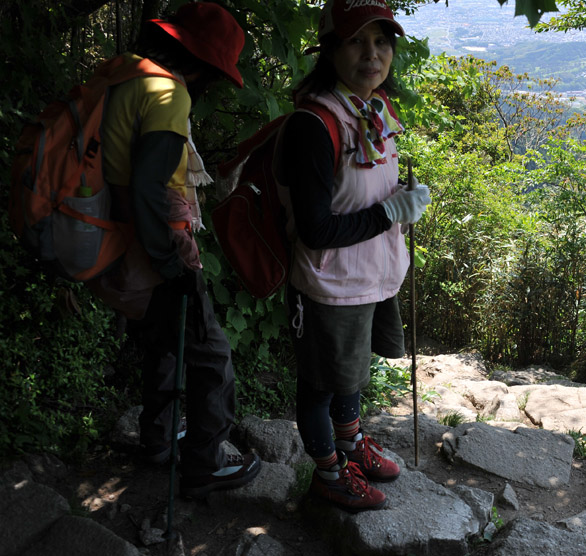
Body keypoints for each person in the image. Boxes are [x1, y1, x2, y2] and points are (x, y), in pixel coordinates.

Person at [88, 2, 260, 499]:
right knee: (210, 352)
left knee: (164, 342)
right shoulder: (168, 93)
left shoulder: (128, 73)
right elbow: (148, 186)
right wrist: (170, 262)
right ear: (202, 64)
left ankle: (159, 441)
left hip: (118, 231)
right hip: (155, 242)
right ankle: (206, 463)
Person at [276, 0, 431, 512]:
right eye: (356, 41)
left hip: (372, 275)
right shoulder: (313, 125)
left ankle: (350, 444)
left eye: (382, 41)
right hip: (331, 282)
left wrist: (402, 198)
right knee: (322, 384)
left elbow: (368, 191)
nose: (373, 53)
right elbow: (317, 229)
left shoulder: (375, 108)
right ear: (330, 50)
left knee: (351, 373)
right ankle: (328, 473)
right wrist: (391, 212)